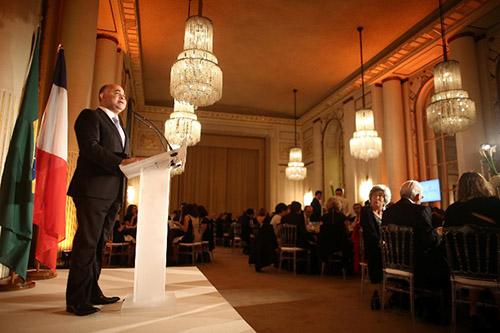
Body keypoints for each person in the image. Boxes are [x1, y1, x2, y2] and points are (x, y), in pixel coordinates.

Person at [66, 84, 138, 316]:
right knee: (86, 243)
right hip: (93, 190)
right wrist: (121, 162)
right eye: (117, 92)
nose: (122, 97)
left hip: (113, 194)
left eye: (124, 95)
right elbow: (90, 148)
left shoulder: (122, 127)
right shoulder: (90, 116)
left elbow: (120, 159)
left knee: (99, 244)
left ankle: (92, 291)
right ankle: (77, 300)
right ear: (101, 95)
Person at [382, 180, 448, 298]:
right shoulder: (421, 211)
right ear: (417, 196)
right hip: (417, 262)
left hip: (393, 260)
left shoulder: (387, 212)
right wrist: (437, 234)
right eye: (422, 196)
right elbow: (428, 240)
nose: (422, 199)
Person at [360, 184, 391, 310]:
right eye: (374, 196)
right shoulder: (367, 211)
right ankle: (376, 293)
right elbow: (370, 233)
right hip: (373, 246)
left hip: (386, 247)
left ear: (385, 200)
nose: (377, 198)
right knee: (377, 254)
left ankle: (395, 293)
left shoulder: (387, 213)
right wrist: (380, 242)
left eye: (380, 196)